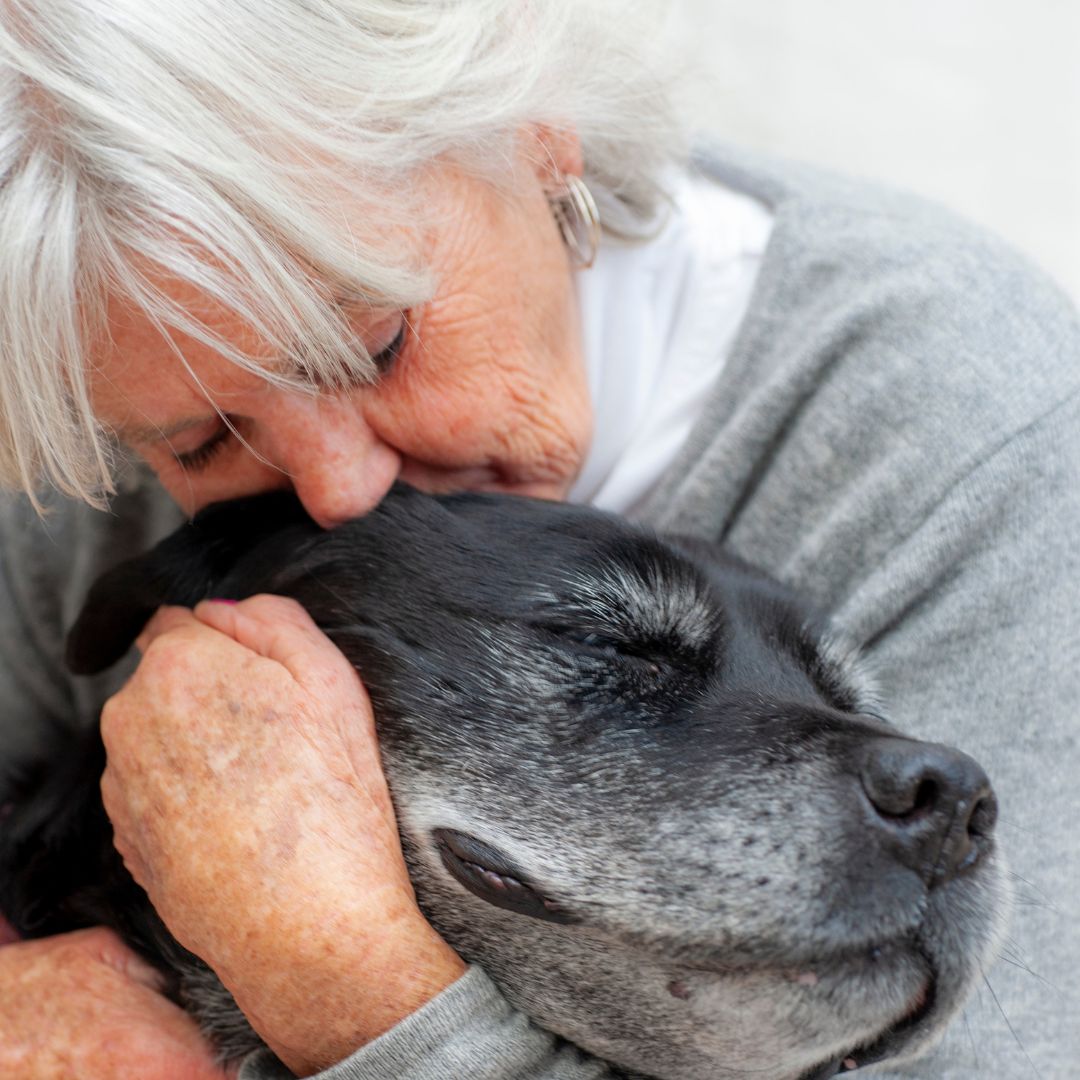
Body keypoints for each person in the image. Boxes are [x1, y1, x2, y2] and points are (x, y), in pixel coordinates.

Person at [0, 2, 1077, 1078]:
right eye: (206, 441)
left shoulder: (987, 436)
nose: (340, 490)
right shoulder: (88, 418)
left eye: (378, 343)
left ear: (537, 138)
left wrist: (338, 983)